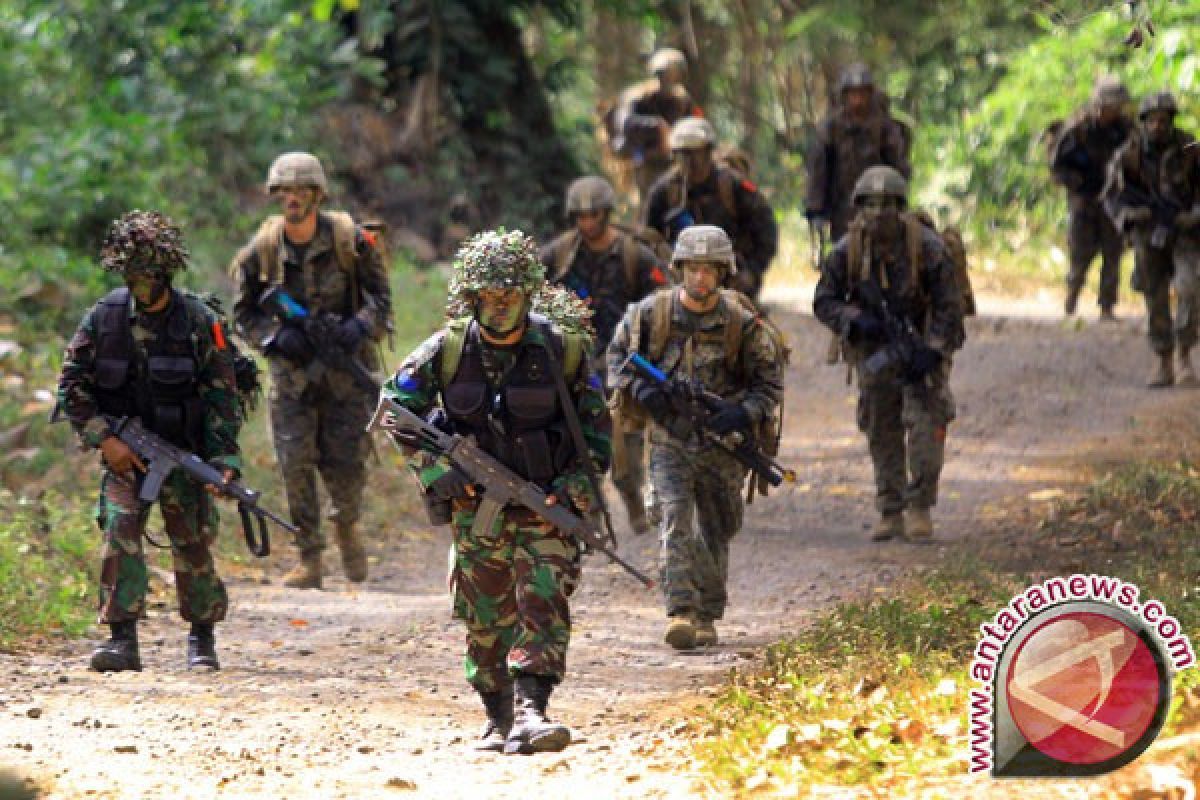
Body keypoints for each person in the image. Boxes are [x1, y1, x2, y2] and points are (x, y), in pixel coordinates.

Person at [382, 229, 611, 754]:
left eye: (509, 294)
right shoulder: (447, 349)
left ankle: (534, 708)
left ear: (528, 295)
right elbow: (394, 407)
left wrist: (573, 488)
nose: (500, 304)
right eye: (489, 295)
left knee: (544, 594)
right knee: (484, 612)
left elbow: (596, 433)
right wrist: (439, 474)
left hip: (544, 502)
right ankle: (496, 715)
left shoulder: (563, 350)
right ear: (472, 297)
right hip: (475, 507)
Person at [57, 210, 243, 672]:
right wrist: (105, 441)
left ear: (165, 273)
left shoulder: (199, 321)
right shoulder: (104, 318)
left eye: (148, 274)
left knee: (192, 541)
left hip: (183, 453)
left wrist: (223, 459)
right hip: (125, 457)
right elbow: (71, 387)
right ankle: (123, 639)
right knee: (120, 530)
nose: (140, 283)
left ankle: (202, 637)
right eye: (132, 274)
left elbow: (222, 396)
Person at [607, 225, 783, 651]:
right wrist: (638, 389)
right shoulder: (651, 316)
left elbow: (769, 385)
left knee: (718, 527)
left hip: (723, 445)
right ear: (679, 269)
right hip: (670, 440)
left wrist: (740, 412)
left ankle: (707, 612)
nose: (700, 278)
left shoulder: (743, 324)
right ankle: (680, 610)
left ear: (723, 273)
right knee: (673, 516)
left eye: (709, 270)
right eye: (692, 268)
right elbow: (616, 359)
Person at [231, 152, 393, 588]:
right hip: (293, 381)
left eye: (302, 192)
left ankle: (347, 527)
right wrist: (274, 338)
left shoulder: (351, 242)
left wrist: (358, 327)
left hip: (347, 378)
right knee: (295, 466)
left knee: (348, 465)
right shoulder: (262, 252)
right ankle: (310, 558)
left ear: (318, 196)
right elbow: (243, 313)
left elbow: (381, 301)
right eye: (285, 192)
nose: (293, 200)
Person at [813, 167, 965, 542]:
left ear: (900, 206)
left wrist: (932, 350)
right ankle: (891, 508)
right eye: (871, 204)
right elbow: (823, 301)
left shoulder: (928, 248)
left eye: (887, 204)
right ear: (859, 207)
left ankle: (920, 505)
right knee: (881, 428)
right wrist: (854, 320)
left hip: (920, 349)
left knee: (927, 429)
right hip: (875, 351)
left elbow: (950, 306)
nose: (879, 213)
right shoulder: (847, 251)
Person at [540, 175, 668, 535]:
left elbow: (662, 304)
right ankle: (590, 512)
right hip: (573, 363)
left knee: (625, 444)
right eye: (580, 216)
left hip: (624, 362)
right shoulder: (561, 254)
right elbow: (531, 288)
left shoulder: (633, 255)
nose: (587, 223)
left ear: (607, 213)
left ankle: (631, 499)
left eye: (593, 215)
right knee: (579, 439)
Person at [1104, 91, 1200, 387]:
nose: (1158, 126)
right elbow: (1112, 196)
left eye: (1163, 120)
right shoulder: (1129, 155)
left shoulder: (1190, 149)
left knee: (1190, 288)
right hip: (1148, 235)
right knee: (1154, 296)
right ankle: (1163, 360)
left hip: (1185, 234)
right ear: (1143, 123)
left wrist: (1195, 215)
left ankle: (1185, 352)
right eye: (1152, 121)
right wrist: (1130, 215)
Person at [641, 118, 778, 300]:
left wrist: (753, 271)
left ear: (708, 152)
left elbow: (766, 231)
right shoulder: (664, 192)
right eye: (683, 155)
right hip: (680, 285)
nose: (689, 162)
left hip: (731, 282)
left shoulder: (733, 186)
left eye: (695, 154)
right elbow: (648, 240)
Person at [1051, 77, 1134, 318]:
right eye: (1110, 105)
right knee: (1080, 254)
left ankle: (1107, 307)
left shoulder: (1125, 130)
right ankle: (1072, 298)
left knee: (1112, 253)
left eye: (1118, 106)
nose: (1114, 110)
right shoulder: (1077, 131)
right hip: (1084, 200)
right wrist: (1077, 183)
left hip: (1113, 201)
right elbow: (1058, 167)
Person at [805, 62, 911, 244]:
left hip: (881, 205)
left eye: (862, 93)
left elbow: (898, 165)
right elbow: (819, 171)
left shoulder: (885, 127)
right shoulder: (832, 128)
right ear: (845, 96)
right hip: (842, 208)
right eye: (853, 94)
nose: (858, 100)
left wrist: (897, 199)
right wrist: (816, 210)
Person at [610, 47, 700, 199]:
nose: (667, 81)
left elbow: (694, 126)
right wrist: (657, 127)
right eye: (663, 75)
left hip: (674, 162)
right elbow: (624, 123)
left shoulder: (682, 100)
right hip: (643, 161)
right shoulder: (637, 97)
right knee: (648, 204)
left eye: (673, 76)